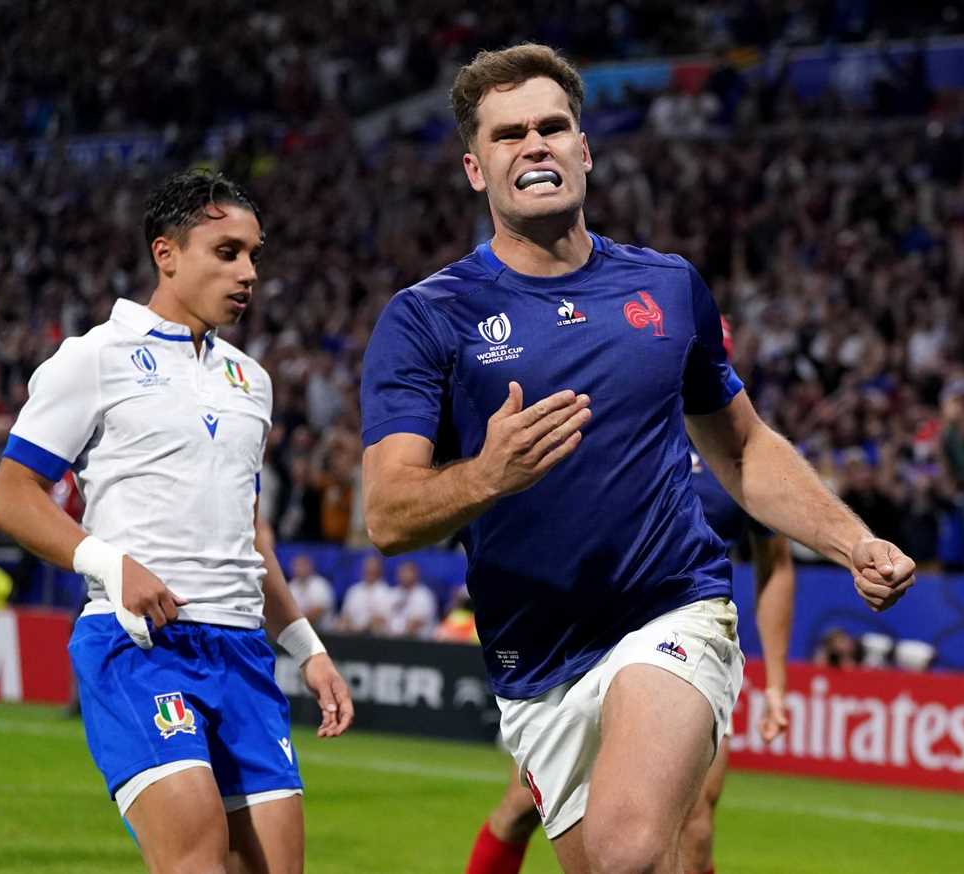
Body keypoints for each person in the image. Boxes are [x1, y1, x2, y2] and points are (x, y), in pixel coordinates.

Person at [360, 44, 915, 874]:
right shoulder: (427, 318)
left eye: (554, 126)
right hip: (536, 661)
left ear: (585, 149)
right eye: (510, 135)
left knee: (628, 849)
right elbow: (387, 515)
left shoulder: (668, 286)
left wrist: (850, 540)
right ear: (477, 170)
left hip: (671, 609)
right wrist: (488, 474)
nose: (536, 144)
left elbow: (744, 447)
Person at [0, 169, 354, 874]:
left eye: (253, 254)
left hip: (243, 654)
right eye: (226, 253)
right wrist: (110, 565)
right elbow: (11, 494)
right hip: (142, 646)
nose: (248, 272)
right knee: (194, 863)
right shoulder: (95, 358)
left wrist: (307, 648)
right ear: (167, 255)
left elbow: (252, 538)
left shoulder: (252, 380)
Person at [465, 444, 796, 874]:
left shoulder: (735, 448)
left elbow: (777, 564)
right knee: (520, 809)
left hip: (683, 633)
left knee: (694, 820)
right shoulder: (613, 417)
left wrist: (775, 682)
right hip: (586, 644)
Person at [336, 553, 396, 634]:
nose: (370, 571)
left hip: (375, 637)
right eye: (368, 568)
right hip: (352, 633)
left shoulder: (387, 592)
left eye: (373, 569)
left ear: (379, 571)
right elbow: (345, 615)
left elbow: (382, 618)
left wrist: (362, 628)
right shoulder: (354, 591)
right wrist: (351, 626)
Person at [386, 559, 438, 639]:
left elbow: (415, 625)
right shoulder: (393, 593)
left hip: (418, 642)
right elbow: (382, 618)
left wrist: (393, 635)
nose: (404, 575)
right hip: (390, 639)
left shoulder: (424, 595)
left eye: (407, 572)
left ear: (416, 574)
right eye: (401, 572)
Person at [288, 553, 337, 631]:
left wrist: (291, 621)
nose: (299, 569)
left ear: (310, 567)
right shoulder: (291, 586)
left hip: (323, 633)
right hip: (298, 631)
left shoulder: (321, 585)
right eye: (296, 566)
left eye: (302, 566)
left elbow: (316, 613)